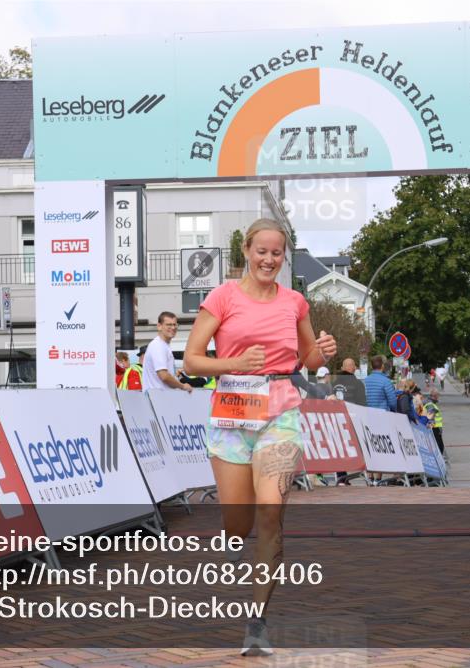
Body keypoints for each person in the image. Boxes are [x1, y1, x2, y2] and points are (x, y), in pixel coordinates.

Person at [182, 218, 336, 656]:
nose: (269, 259)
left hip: (280, 413)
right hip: (232, 416)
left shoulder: (294, 302)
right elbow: (192, 361)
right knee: (239, 522)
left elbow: (305, 358)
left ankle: (257, 621)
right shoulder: (223, 296)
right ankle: (233, 540)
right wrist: (234, 363)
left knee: (271, 513)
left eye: (277, 252)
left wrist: (321, 352)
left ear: (284, 256)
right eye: (261, 251)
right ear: (246, 251)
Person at [142, 312, 192, 393]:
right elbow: (164, 375)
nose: (173, 327)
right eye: (169, 325)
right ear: (159, 326)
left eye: (175, 324)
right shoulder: (158, 346)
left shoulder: (163, 345)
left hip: (160, 398)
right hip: (157, 399)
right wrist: (182, 386)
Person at [424, 389, 445, 456]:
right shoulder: (430, 404)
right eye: (438, 396)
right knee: (439, 445)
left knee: (438, 445)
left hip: (435, 427)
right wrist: (432, 426)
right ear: (435, 396)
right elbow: (431, 416)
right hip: (434, 427)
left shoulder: (430, 403)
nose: (438, 397)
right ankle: (440, 459)